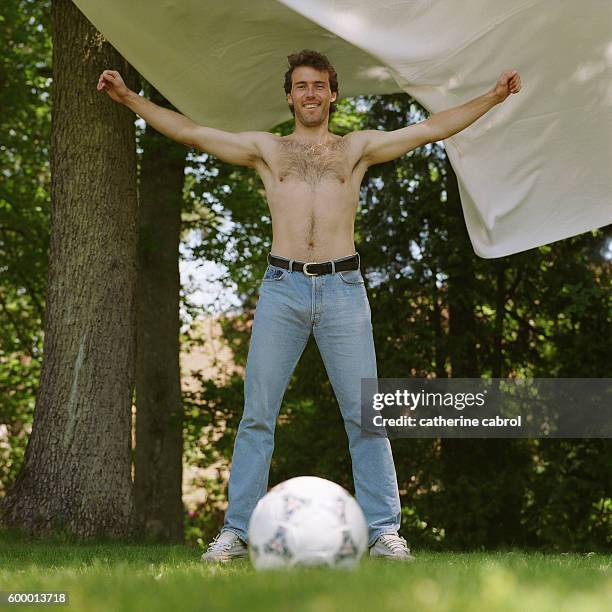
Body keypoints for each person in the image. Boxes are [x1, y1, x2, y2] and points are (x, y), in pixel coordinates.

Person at [98, 50, 521, 562]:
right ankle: (236, 532)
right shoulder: (267, 150)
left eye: (319, 85)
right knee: (257, 416)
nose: (311, 94)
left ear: (333, 93)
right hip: (283, 288)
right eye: (301, 86)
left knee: (366, 416)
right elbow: (190, 132)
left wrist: (495, 95)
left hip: (344, 289)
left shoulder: (356, 149)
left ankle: (385, 531)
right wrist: (127, 97)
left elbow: (431, 128)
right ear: (290, 94)